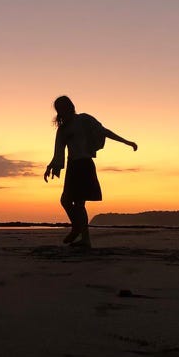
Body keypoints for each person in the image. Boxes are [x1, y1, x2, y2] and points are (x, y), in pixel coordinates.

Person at [44, 95, 137, 247]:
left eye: (63, 107)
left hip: (85, 164)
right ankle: (78, 229)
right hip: (72, 166)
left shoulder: (84, 120)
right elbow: (58, 152)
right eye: (59, 109)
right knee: (66, 200)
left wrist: (127, 142)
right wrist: (51, 166)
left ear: (70, 106)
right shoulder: (62, 129)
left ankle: (83, 237)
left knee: (79, 204)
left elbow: (104, 131)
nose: (61, 111)